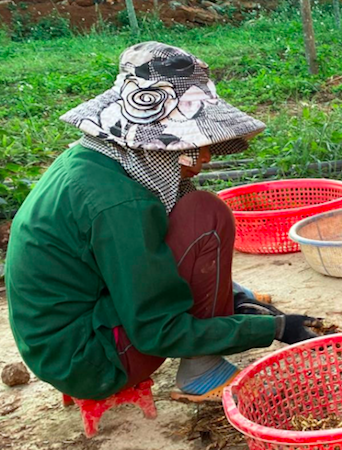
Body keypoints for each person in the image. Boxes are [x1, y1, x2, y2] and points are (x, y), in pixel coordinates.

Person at [4, 42, 320, 403]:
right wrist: (273, 328)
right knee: (205, 216)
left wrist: (235, 302)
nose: (206, 157)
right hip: (90, 360)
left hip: (63, 341)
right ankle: (201, 370)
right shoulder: (122, 204)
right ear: (161, 142)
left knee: (189, 208)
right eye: (198, 143)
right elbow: (158, 331)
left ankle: (232, 302)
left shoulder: (97, 161)